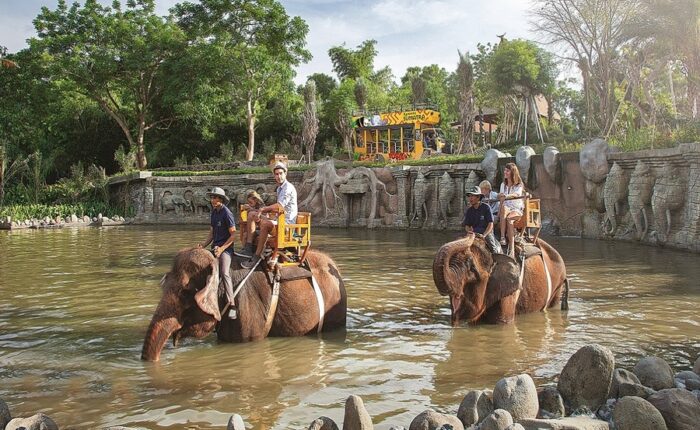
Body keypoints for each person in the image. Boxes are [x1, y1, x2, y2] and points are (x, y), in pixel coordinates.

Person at [241, 162, 297, 269]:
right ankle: (248, 247)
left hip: (286, 226)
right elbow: (276, 210)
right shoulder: (280, 188)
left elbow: (280, 206)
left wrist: (262, 209)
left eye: (281, 173)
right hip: (278, 221)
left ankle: (256, 256)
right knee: (252, 214)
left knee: (266, 224)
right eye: (276, 174)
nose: (279, 176)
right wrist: (258, 212)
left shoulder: (288, 188)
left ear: (286, 173)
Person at [197, 186, 237, 316]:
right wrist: (203, 245)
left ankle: (232, 304)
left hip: (226, 249)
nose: (212, 200)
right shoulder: (214, 213)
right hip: (215, 247)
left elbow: (233, 235)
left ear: (221, 199)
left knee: (224, 272)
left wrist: (222, 249)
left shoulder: (227, 213)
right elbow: (212, 233)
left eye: (215, 198)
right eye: (212, 198)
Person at [461, 186, 502, 254]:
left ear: (478, 197)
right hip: (474, 233)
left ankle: (496, 258)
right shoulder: (469, 211)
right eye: (469, 196)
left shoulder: (486, 208)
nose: (470, 198)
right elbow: (467, 225)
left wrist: (484, 235)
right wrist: (469, 232)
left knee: (493, 248)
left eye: (473, 196)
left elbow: (490, 224)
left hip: (486, 233)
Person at [498, 162, 525, 253]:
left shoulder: (519, 185)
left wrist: (507, 196)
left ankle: (512, 248)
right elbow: (501, 197)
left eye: (507, 171)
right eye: (505, 170)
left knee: (509, 219)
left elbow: (516, 194)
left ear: (513, 172)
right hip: (506, 208)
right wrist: (501, 196)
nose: (505, 172)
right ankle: (502, 237)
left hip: (516, 209)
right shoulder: (503, 184)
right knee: (504, 208)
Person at [235, 190, 265, 258]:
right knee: (245, 235)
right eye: (248, 202)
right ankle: (245, 250)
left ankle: (248, 250)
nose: (249, 204)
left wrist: (252, 209)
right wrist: (242, 211)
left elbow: (264, 217)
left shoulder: (262, 207)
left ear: (256, 200)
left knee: (246, 235)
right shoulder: (251, 208)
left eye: (250, 202)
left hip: (262, 229)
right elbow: (243, 220)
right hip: (253, 229)